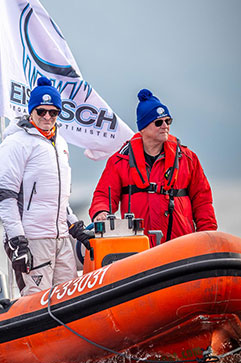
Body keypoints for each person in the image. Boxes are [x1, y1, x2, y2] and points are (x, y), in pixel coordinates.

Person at [0, 76, 91, 296]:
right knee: (37, 301)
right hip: (32, 239)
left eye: (53, 112)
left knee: (70, 300)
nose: (47, 116)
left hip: (61, 239)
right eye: (41, 111)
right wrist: (17, 241)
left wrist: (75, 226)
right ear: (32, 111)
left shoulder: (60, 143)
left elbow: (58, 199)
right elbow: (5, 198)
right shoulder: (15, 143)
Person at [89, 88, 217, 245]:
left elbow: (202, 201)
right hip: (139, 249)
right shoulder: (119, 161)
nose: (165, 126)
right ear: (143, 128)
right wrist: (101, 212)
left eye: (168, 121)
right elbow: (103, 195)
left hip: (181, 246)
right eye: (158, 122)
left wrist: (208, 237)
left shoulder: (188, 158)